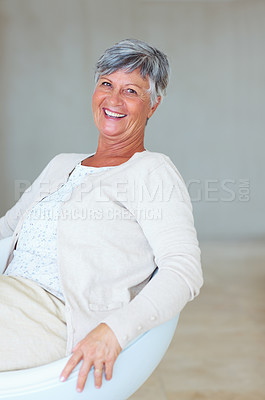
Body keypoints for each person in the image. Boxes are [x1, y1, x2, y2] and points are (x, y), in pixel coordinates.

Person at [0, 38, 203, 393]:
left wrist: (114, 330)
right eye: (106, 84)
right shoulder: (61, 163)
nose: (113, 99)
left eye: (131, 91)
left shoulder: (152, 171)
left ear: (153, 105)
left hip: (54, 315)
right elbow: (7, 227)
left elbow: (183, 269)